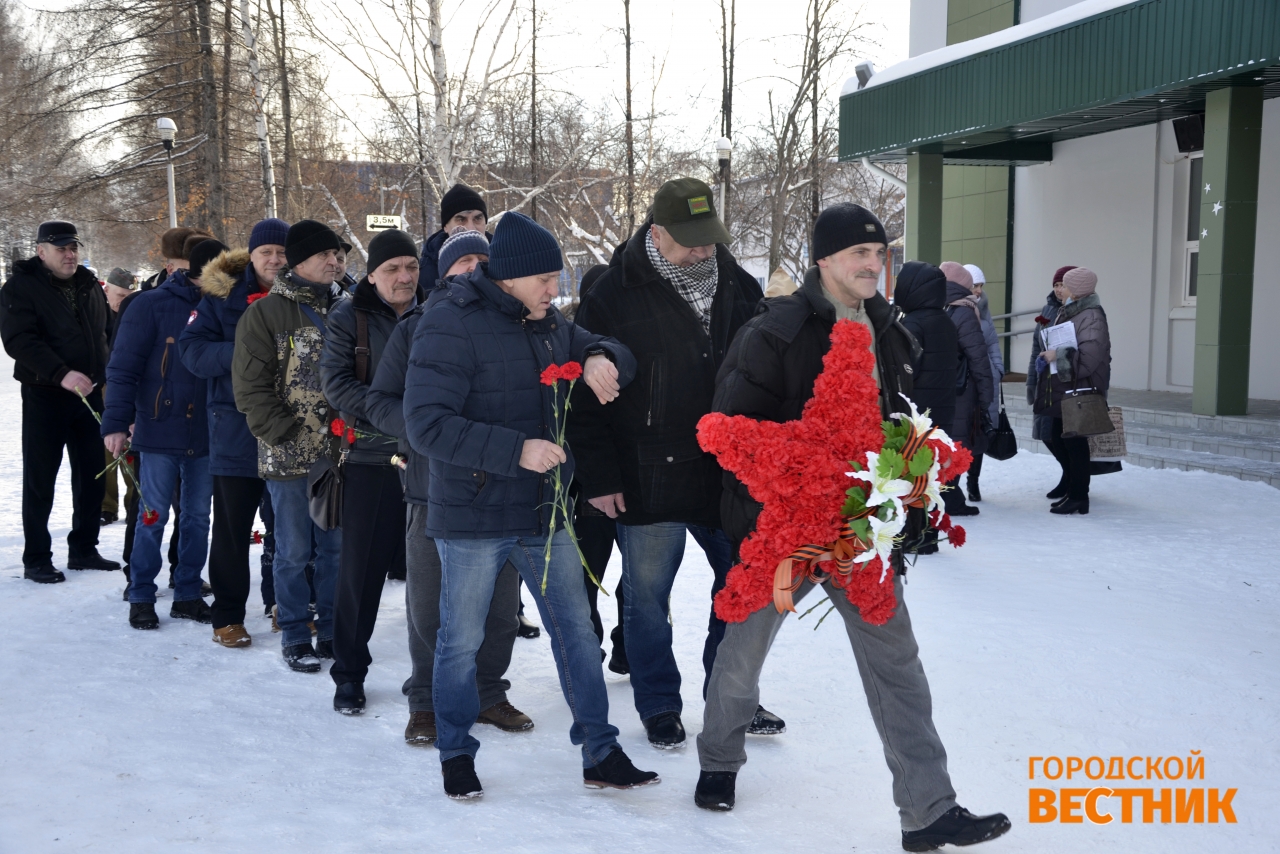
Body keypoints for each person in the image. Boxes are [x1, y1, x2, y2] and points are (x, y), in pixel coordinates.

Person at [694, 204, 1010, 852]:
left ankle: (928, 811)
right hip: (787, 537)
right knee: (742, 655)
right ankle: (719, 761)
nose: (873, 264)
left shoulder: (892, 331)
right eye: (859, 254)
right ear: (825, 260)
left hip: (857, 538)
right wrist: (798, 491)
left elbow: (896, 428)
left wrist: (904, 480)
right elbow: (730, 428)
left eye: (878, 253)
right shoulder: (774, 332)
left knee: (899, 667)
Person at [402, 210, 654, 798]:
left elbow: (603, 343)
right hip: (472, 517)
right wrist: (517, 450)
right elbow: (425, 425)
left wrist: (599, 354)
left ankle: (601, 750)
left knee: (576, 633)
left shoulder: (544, 320)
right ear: (508, 277)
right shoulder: (449, 321)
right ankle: (456, 752)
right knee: (459, 642)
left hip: (544, 513)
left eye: (557, 279)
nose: (555, 290)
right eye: (545, 279)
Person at [568, 177, 780, 751]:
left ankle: (728, 691)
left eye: (709, 239)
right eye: (690, 242)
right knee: (646, 599)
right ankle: (659, 702)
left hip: (727, 473)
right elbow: (584, 401)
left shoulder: (738, 284)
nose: (704, 251)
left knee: (740, 587)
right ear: (655, 233)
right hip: (647, 475)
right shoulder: (613, 292)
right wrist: (601, 478)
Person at [366, 230, 534, 745]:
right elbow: (379, 402)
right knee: (429, 606)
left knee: (501, 606)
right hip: (431, 486)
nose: (475, 268)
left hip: (501, 488)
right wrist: (425, 422)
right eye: (464, 261)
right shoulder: (417, 326)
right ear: (442, 271)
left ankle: (488, 692)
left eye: (484, 260)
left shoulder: (518, 324)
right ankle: (425, 702)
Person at [232, 219, 347, 672]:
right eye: (326, 255)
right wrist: (292, 435)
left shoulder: (349, 308)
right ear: (300, 262)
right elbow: (251, 391)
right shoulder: (265, 314)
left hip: (341, 455)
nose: (335, 261)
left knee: (334, 550)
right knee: (294, 551)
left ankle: (335, 629)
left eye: (339, 254)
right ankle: (296, 631)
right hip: (289, 457)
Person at [320, 228, 425, 713]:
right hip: (369, 458)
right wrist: (403, 420)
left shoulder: (438, 311)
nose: (404, 277)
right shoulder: (349, 317)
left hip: (429, 460)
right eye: (392, 269)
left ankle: (433, 678)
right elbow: (337, 385)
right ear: (372, 274)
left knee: (433, 574)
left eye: (411, 267)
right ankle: (348, 673)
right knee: (361, 575)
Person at [179, 218, 290, 648]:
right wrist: (247, 352)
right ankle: (227, 616)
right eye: (267, 253)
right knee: (231, 529)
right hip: (236, 432)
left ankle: (286, 605)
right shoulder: (221, 298)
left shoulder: (305, 295)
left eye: (282, 253)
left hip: (289, 431)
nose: (275, 261)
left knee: (288, 529)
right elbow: (192, 351)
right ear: (252, 256)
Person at [103, 239, 223, 629]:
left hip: (206, 432)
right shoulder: (150, 305)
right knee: (152, 516)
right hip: (158, 429)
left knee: (197, 518)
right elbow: (123, 368)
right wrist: (117, 423)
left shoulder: (227, 305)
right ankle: (140, 594)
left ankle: (187, 592)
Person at [0, 221, 118, 583]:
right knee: (41, 479)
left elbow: (106, 332)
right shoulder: (21, 287)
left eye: (74, 247)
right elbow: (19, 340)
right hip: (45, 395)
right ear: (41, 251)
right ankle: (36, 557)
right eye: (61, 248)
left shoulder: (87, 283)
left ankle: (84, 548)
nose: (70, 254)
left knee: (91, 475)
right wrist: (61, 373)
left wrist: (109, 370)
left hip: (90, 396)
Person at [1033, 267, 1110, 515]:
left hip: (1080, 390)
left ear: (1075, 290)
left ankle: (1079, 496)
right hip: (1065, 388)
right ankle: (1072, 490)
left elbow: (1089, 358)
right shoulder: (1071, 312)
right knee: (1059, 438)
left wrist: (1058, 354)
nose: (1060, 289)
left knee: (1076, 445)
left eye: (1064, 285)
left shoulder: (1092, 316)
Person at [892, 261, 957, 555]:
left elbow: (906, 370)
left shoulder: (913, 324)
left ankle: (916, 535)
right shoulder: (944, 320)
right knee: (930, 475)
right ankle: (928, 533)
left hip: (917, 410)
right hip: (942, 407)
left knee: (912, 473)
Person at [938, 262, 993, 518]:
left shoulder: (937, 306)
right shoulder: (965, 311)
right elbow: (978, 357)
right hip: (963, 391)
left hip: (941, 388)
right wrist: (986, 395)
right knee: (959, 444)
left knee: (946, 443)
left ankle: (947, 498)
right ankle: (951, 500)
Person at [961, 264, 1004, 503]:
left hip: (984, 381)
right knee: (962, 434)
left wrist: (998, 369)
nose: (978, 291)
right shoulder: (955, 311)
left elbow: (993, 346)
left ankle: (973, 483)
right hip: (963, 385)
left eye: (980, 286)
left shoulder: (984, 315)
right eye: (974, 285)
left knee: (978, 435)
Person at [101, 267, 138, 526]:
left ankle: (132, 503)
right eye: (120, 295)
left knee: (130, 450)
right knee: (105, 452)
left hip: (127, 386)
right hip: (102, 386)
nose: (123, 301)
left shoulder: (134, 314)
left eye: (128, 296)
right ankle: (106, 506)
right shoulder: (97, 315)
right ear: (106, 290)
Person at [1027, 267, 1071, 452]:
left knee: (1065, 435)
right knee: (1046, 434)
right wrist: (1031, 382)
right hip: (1046, 382)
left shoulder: (1080, 311)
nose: (1058, 289)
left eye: (1063, 285)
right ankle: (1067, 473)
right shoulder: (1048, 310)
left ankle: (1070, 476)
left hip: (1068, 382)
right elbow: (1036, 348)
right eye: (1056, 285)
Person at [417, 184, 492, 288]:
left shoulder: (502, 259)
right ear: (446, 227)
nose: (471, 227)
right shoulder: (426, 271)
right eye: (461, 220)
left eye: (477, 218)